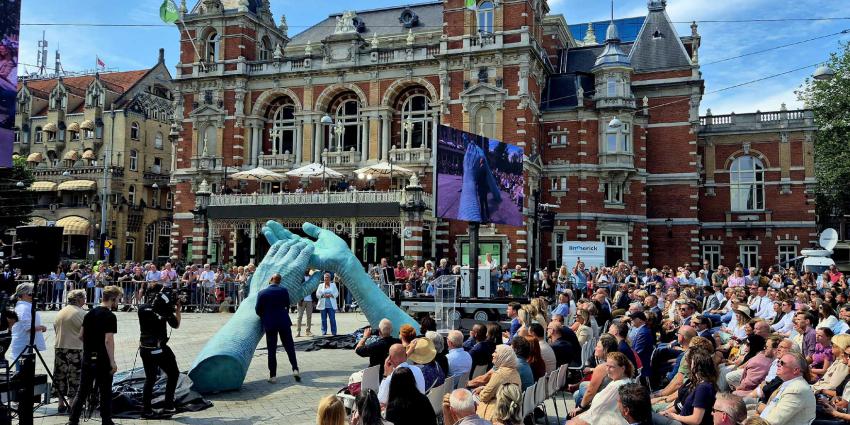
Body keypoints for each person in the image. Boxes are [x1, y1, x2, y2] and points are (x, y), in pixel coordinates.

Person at [68, 285, 123, 425]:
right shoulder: (110, 316)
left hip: (87, 357)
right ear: (112, 299)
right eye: (118, 299)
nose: (118, 302)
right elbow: (108, 340)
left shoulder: (89, 313)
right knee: (105, 391)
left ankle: (73, 420)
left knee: (82, 391)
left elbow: (81, 336)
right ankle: (106, 420)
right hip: (102, 359)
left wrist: (90, 344)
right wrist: (113, 361)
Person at [138, 285, 183, 418]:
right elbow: (176, 325)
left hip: (145, 348)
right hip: (159, 349)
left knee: (150, 379)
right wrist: (178, 310)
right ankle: (168, 405)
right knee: (174, 374)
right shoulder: (164, 310)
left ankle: (146, 410)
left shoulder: (141, 309)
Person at [653, 348, 717, 425]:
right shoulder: (694, 382)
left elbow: (696, 420)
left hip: (682, 422)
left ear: (696, 365)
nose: (688, 364)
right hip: (680, 418)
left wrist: (675, 416)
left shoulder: (703, 388)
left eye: (691, 362)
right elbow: (679, 406)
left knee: (651, 417)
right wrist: (665, 412)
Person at [567, 351, 634, 425]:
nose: (607, 369)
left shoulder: (616, 386)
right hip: (605, 418)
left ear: (622, 368)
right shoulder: (623, 381)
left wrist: (576, 419)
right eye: (607, 366)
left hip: (603, 420)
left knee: (570, 419)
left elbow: (596, 411)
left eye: (611, 367)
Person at [256, 273, 300, 383]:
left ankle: (273, 376)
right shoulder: (284, 291)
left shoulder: (262, 293)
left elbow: (258, 309)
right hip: (283, 321)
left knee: (272, 350)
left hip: (270, 323)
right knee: (289, 346)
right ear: (280, 281)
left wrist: (264, 317)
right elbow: (287, 304)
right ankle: (295, 368)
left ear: (271, 279)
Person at [52, 289, 87, 414]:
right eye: (83, 297)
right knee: (75, 376)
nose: (85, 300)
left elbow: (55, 328)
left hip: (60, 346)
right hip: (75, 348)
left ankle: (61, 404)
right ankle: (72, 404)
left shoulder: (60, 312)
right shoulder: (81, 313)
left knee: (60, 375)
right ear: (78, 299)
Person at [758, 352, 816, 425]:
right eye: (778, 361)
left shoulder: (797, 390)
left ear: (795, 370)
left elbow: (773, 421)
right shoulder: (789, 383)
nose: (778, 364)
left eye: (782, 363)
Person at [468, 345, 522, 421]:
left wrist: (481, 390)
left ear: (503, 356)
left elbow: (484, 396)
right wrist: (483, 388)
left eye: (495, 352)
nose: (492, 354)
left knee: (469, 398)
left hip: (496, 412)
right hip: (509, 410)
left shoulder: (499, 374)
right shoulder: (515, 372)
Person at [10, 283, 47, 371]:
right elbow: (28, 327)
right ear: (22, 295)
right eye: (30, 294)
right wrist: (41, 327)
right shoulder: (23, 307)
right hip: (23, 344)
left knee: (26, 371)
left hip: (26, 343)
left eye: (33, 294)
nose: (32, 296)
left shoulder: (26, 306)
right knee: (21, 372)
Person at [296, 273, 314, 337]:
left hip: (310, 300)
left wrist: (314, 300)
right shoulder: (300, 277)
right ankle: (298, 331)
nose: (307, 269)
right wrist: (298, 299)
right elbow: (297, 289)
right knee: (299, 316)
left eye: (308, 268)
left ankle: (308, 331)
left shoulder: (312, 277)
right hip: (301, 300)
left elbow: (314, 289)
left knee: (309, 316)